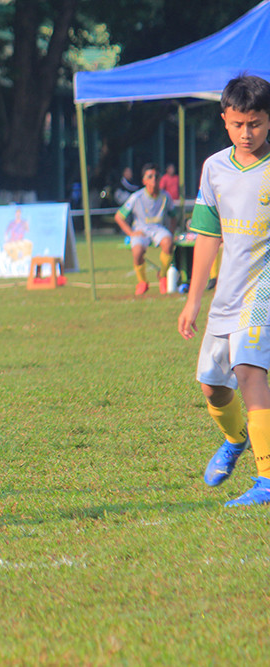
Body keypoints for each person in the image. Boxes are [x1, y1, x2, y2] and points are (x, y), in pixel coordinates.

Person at [177, 74, 270, 507]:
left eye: (255, 123)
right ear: (224, 121)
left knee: (250, 372)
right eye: (238, 124)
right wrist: (194, 299)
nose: (247, 133)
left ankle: (267, 479)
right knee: (212, 386)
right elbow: (208, 236)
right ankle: (236, 440)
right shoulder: (215, 168)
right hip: (228, 291)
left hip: (264, 291)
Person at [113, 162, 177, 295]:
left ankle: (163, 276)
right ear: (144, 180)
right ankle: (142, 282)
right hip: (141, 230)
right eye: (150, 176)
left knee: (168, 242)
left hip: (158, 229)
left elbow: (173, 216)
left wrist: (171, 232)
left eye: (156, 176)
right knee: (137, 252)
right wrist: (131, 233)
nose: (154, 179)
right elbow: (119, 217)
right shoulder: (136, 197)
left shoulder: (166, 196)